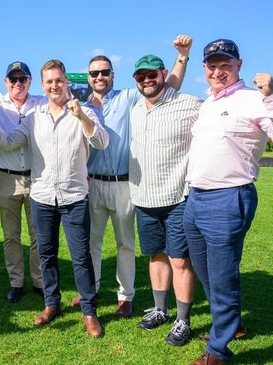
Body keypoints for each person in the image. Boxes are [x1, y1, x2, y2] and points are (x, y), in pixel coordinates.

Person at [184, 39, 273, 365]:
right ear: (204, 69)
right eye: (212, 65)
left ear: (239, 65)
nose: (218, 71)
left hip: (228, 197)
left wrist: (272, 95)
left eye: (225, 64)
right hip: (196, 197)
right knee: (204, 270)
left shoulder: (253, 100)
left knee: (222, 276)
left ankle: (218, 351)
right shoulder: (208, 102)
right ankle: (230, 324)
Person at [74, 34, 193, 319]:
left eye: (104, 72)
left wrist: (182, 58)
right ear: (88, 77)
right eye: (94, 73)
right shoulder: (80, 103)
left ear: (112, 75)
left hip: (124, 183)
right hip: (92, 182)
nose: (99, 76)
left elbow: (168, 87)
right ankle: (90, 291)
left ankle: (125, 296)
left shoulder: (129, 98)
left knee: (125, 243)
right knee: (92, 242)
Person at [0, 59, 109, 337]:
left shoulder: (84, 111)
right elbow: (8, 143)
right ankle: (51, 304)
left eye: (59, 80)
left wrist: (81, 116)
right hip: (42, 196)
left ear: (66, 82)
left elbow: (101, 142)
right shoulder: (33, 117)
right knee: (47, 255)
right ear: (42, 86)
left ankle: (89, 312)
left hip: (74, 196)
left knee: (81, 257)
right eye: (49, 82)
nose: (54, 86)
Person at [129, 54, 202, 346]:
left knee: (180, 260)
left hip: (176, 197)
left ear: (163, 73)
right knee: (156, 255)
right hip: (144, 198)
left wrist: (182, 57)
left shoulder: (189, 104)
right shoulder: (136, 109)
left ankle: (183, 321)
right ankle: (160, 309)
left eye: (151, 74)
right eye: (140, 76)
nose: (146, 80)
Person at [0, 61, 44, 303]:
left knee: (38, 235)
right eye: (13, 79)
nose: (18, 83)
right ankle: (16, 282)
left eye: (23, 79)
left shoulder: (41, 103)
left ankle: (40, 282)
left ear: (30, 81)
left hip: (38, 178)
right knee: (11, 236)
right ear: (5, 82)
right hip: (6, 178)